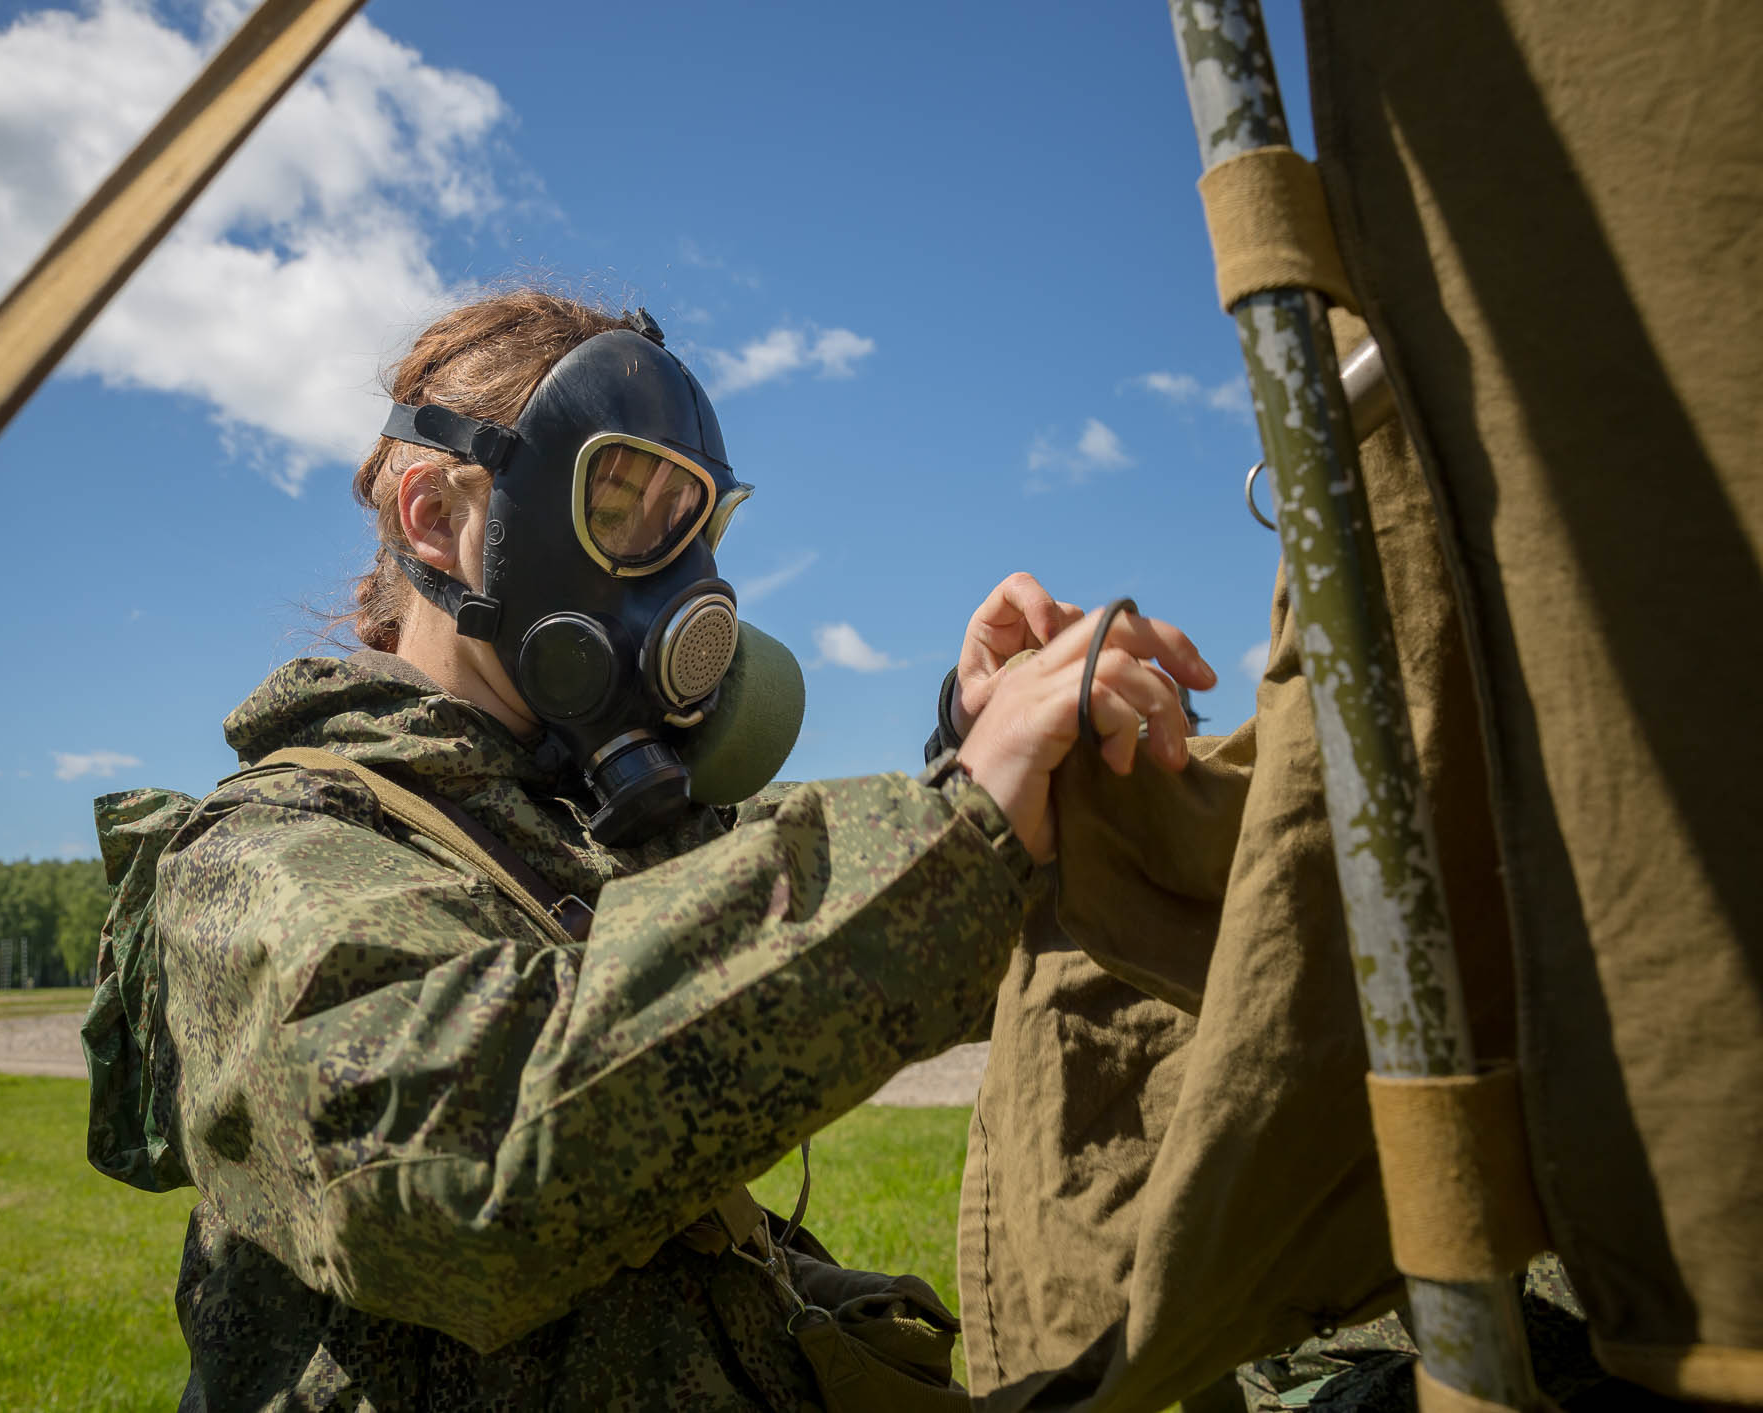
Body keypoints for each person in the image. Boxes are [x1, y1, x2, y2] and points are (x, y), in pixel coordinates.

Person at [85, 288, 1215, 1411]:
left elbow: (769, 935)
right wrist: (959, 823)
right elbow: (459, 1162)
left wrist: (979, 761)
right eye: (622, 505)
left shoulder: (578, 824)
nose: (685, 577)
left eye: (696, 520)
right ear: (435, 516)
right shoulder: (258, 856)